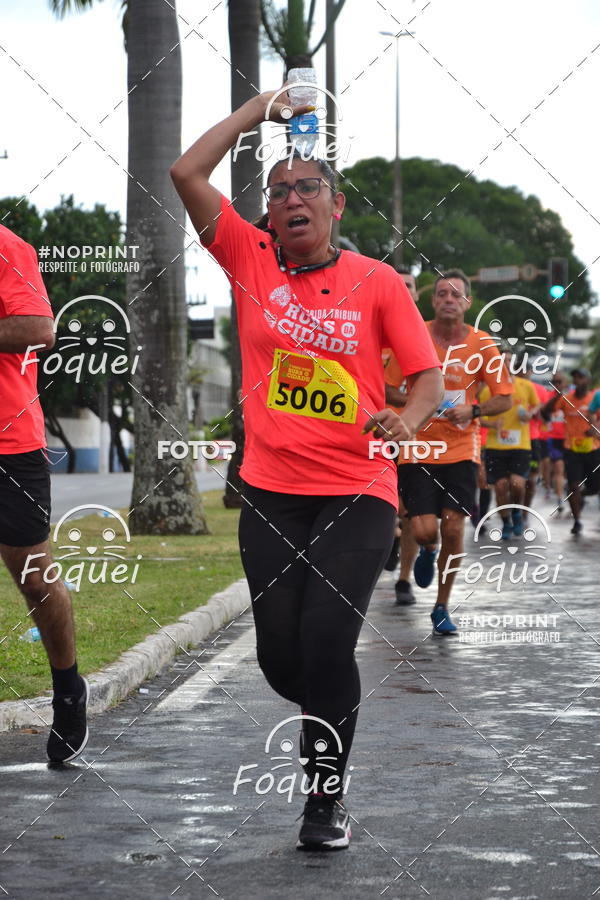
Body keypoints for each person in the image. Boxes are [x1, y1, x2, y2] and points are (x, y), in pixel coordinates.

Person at [170, 88, 443, 850]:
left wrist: (407, 419)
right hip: (269, 491)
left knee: (326, 642)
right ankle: (331, 700)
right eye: (279, 190)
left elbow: (426, 380)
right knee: (282, 657)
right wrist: (259, 111)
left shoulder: (379, 282)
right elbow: (185, 172)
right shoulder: (248, 257)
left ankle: (323, 800)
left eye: (307, 188)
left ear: (337, 204)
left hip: (358, 487)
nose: (292, 199)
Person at [0, 223, 89, 762]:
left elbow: (38, 327)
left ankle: (68, 687)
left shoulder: (10, 249)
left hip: (10, 442)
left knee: (33, 577)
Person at [384, 270, 513, 635]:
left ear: (467, 303)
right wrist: (423, 402)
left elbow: (504, 398)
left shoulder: (483, 344)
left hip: (461, 445)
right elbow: (387, 388)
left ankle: (441, 606)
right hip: (417, 444)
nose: (449, 300)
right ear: (433, 300)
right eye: (442, 294)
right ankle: (425, 551)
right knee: (425, 530)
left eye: (456, 295)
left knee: (454, 527)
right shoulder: (414, 335)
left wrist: (472, 410)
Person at [382, 266, 420, 605]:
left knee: (408, 511)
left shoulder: (424, 336)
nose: (403, 290)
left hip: (410, 436)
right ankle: (387, 538)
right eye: (398, 285)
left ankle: (404, 580)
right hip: (362, 434)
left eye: (409, 286)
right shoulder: (369, 322)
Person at [480, 353, 539, 538]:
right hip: (495, 446)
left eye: (508, 361)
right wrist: (492, 424)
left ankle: (517, 513)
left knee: (517, 484)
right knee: (500, 486)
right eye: (501, 361)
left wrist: (530, 414)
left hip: (520, 444)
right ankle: (506, 522)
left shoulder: (525, 386)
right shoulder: (489, 389)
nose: (505, 364)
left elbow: (536, 405)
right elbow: (478, 415)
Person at [542, 367, 600, 534]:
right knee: (574, 484)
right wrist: (557, 396)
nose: (577, 381)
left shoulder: (594, 398)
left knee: (595, 486)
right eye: (575, 378)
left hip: (593, 448)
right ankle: (577, 521)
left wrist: (596, 428)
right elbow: (546, 412)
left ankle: (584, 494)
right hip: (572, 449)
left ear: (588, 381)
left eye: (581, 378)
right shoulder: (566, 399)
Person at [544, 372, 567, 513]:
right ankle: (560, 498)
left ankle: (564, 489)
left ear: (565, 383)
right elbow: (543, 412)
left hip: (569, 440)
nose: (557, 384)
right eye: (554, 381)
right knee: (558, 467)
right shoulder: (548, 397)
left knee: (566, 472)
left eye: (559, 381)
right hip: (553, 439)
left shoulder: (571, 397)